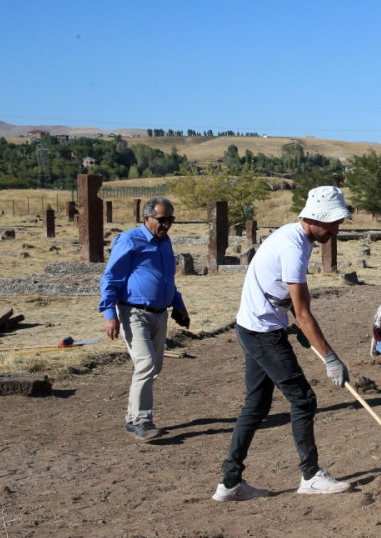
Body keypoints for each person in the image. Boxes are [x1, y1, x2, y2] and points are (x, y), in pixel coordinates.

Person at [212, 185, 353, 502]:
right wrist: (330, 358)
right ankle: (311, 476)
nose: (337, 228)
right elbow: (304, 312)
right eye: (333, 222)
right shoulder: (294, 247)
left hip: (252, 326)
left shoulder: (293, 237)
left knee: (257, 405)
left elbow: (279, 291)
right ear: (315, 218)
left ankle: (230, 483)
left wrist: (294, 321)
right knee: (303, 400)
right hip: (263, 332)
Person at [99, 196, 190, 442]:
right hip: (133, 312)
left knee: (153, 367)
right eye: (162, 220)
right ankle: (142, 421)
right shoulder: (129, 240)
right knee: (146, 364)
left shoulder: (165, 242)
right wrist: (110, 315)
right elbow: (110, 279)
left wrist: (178, 304)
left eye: (171, 219)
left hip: (160, 314)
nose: (167, 224)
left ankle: (132, 418)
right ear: (147, 218)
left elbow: (167, 278)